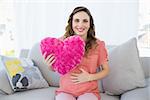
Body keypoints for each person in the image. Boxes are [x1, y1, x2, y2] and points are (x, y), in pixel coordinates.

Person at [43, 6, 110, 100]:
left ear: (90, 24)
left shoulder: (98, 45)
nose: (80, 25)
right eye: (77, 20)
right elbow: (55, 68)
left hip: (89, 91)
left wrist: (89, 77)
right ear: (71, 23)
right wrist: (49, 65)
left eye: (85, 21)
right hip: (65, 91)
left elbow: (106, 70)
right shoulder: (61, 42)